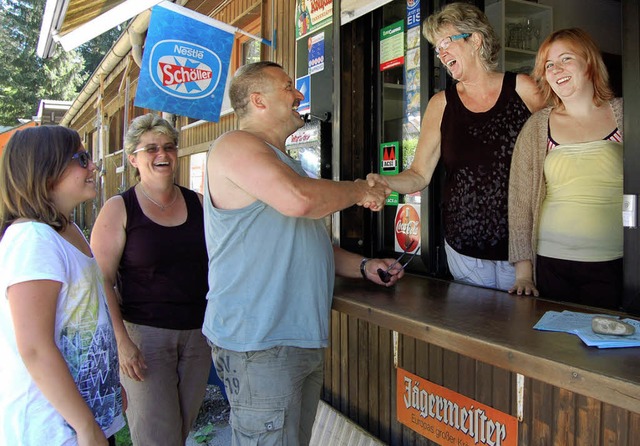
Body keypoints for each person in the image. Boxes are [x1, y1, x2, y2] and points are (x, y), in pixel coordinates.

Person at [204, 61, 403, 446]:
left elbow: (307, 243)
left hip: (292, 339)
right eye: (288, 88)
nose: (299, 95)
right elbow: (298, 201)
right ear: (258, 101)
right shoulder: (236, 145)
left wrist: (364, 266)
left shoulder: (285, 163)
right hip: (260, 341)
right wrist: (361, 189)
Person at [367, 3, 544, 291]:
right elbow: (419, 174)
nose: (441, 53)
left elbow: (555, 148)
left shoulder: (523, 89)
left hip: (524, 248)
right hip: (464, 249)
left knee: (520, 329)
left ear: (475, 39)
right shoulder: (441, 104)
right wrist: (384, 180)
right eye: (437, 48)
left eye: (446, 42)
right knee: (475, 328)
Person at [90, 114, 211, 445]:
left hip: (198, 336)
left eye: (169, 146)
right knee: (157, 437)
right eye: (152, 148)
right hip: (145, 339)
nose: (163, 154)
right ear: (133, 159)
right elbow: (102, 280)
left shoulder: (198, 204)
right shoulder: (120, 208)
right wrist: (122, 342)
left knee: (180, 430)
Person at [0, 126, 125, 445]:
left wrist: (108, 387)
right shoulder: (33, 240)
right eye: (81, 159)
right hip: (54, 430)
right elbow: (35, 348)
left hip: (82, 419)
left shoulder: (66, 230)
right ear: (45, 169)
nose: (93, 166)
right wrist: (85, 426)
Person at [508, 28, 623, 310]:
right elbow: (520, 201)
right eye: (549, 65)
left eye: (566, 59)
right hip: (551, 265)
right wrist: (524, 274)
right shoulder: (537, 126)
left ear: (589, 63)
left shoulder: (626, 113)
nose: (556, 69)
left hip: (615, 263)